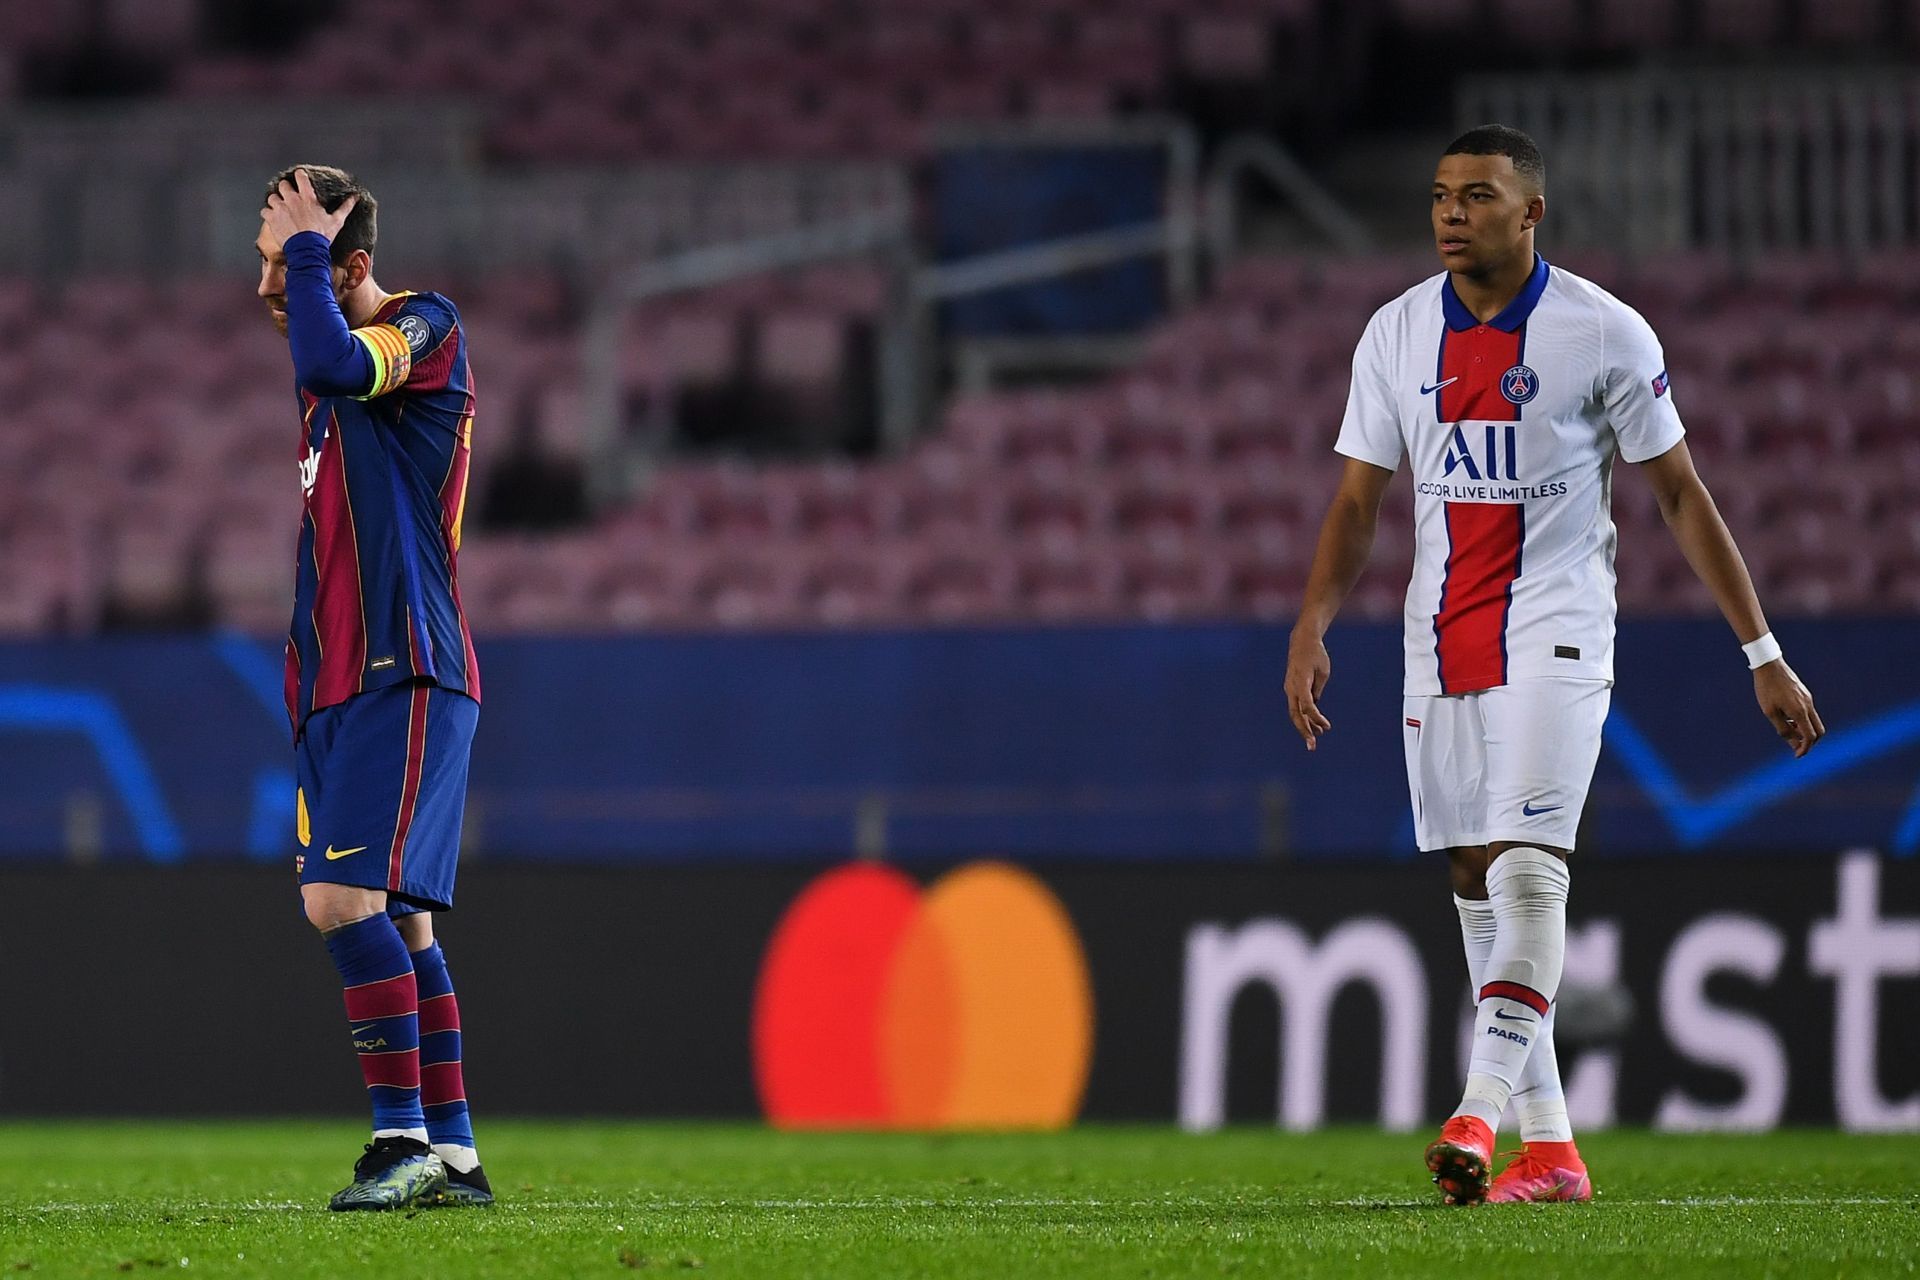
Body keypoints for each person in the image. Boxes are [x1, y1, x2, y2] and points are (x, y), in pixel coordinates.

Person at [1282, 125, 1824, 1205]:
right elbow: (1357, 502)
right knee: (1475, 872)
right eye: (1440, 195)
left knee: (1532, 863)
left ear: (1531, 213)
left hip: (1559, 629)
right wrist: (1312, 623)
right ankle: (1554, 1150)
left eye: (1476, 196)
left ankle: (1476, 1114)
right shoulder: (1394, 335)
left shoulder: (1604, 334)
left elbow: (1679, 492)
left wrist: (1761, 650)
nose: (1449, 213)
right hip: (1438, 639)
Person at [256, 165, 492, 1210]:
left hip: (402, 661)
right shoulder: (326, 384)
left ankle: (400, 1140)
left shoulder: (425, 327)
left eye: (288, 264)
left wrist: (307, 249)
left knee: (336, 897)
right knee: (400, 921)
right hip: (340, 676)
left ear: (349, 263)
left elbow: (332, 352)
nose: (269, 286)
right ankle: (455, 1153)